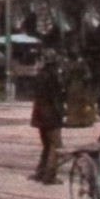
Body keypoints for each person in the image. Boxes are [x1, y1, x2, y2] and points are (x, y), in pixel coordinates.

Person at [30, 49, 65, 184]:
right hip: (51, 115)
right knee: (56, 146)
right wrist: (61, 113)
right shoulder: (54, 76)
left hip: (40, 115)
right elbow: (56, 96)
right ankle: (50, 175)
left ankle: (41, 171)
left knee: (46, 145)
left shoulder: (39, 76)